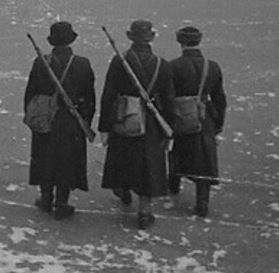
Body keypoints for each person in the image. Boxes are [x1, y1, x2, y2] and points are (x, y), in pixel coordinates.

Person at [99, 20, 175, 230]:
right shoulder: (163, 65)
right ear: (151, 37)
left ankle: (123, 190)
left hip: (124, 117)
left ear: (130, 37)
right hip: (151, 122)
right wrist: (169, 130)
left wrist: (104, 126)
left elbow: (108, 95)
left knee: (122, 158)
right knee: (148, 166)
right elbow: (169, 101)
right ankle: (144, 211)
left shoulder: (119, 61)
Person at [25, 21, 96, 220]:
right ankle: (62, 202)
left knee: (45, 158)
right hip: (72, 121)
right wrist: (85, 122)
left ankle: (46, 197)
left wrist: (34, 119)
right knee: (67, 162)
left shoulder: (40, 62)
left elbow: (30, 94)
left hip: (46, 119)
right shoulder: (83, 63)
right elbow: (90, 98)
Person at [166, 26, 227, 218]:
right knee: (205, 159)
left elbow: (167, 97)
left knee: (178, 152)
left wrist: (167, 121)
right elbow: (220, 99)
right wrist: (218, 124)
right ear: (199, 41)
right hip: (203, 117)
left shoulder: (173, 66)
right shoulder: (213, 66)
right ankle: (202, 202)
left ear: (180, 41)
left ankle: (174, 184)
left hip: (180, 116)